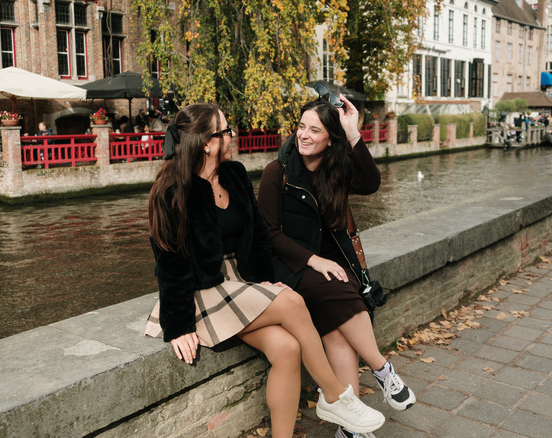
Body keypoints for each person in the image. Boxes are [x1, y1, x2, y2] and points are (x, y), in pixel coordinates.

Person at [144, 103, 385, 437]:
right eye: (225, 131)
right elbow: (169, 264)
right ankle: (334, 396)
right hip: (203, 289)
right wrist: (178, 325)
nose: (232, 135)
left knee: (287, 349)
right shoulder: (173, 191)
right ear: (206, 142)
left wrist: (266, 282)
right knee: (294, 303)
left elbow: (258, 236)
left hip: (242, 282)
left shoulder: (235, 174)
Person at [258, 96, 416, 438]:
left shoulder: (336, 168)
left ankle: (350, 429)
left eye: (315, 130)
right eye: (301, 127)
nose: (304, 135)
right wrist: (312, 259)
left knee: (337, 335)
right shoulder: (278, 173)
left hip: (331, 265)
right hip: (291, 266)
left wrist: (354, 134)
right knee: (343, 292)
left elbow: (371, 183)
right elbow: (268, 235)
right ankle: (382, 369)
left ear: (330, 138)